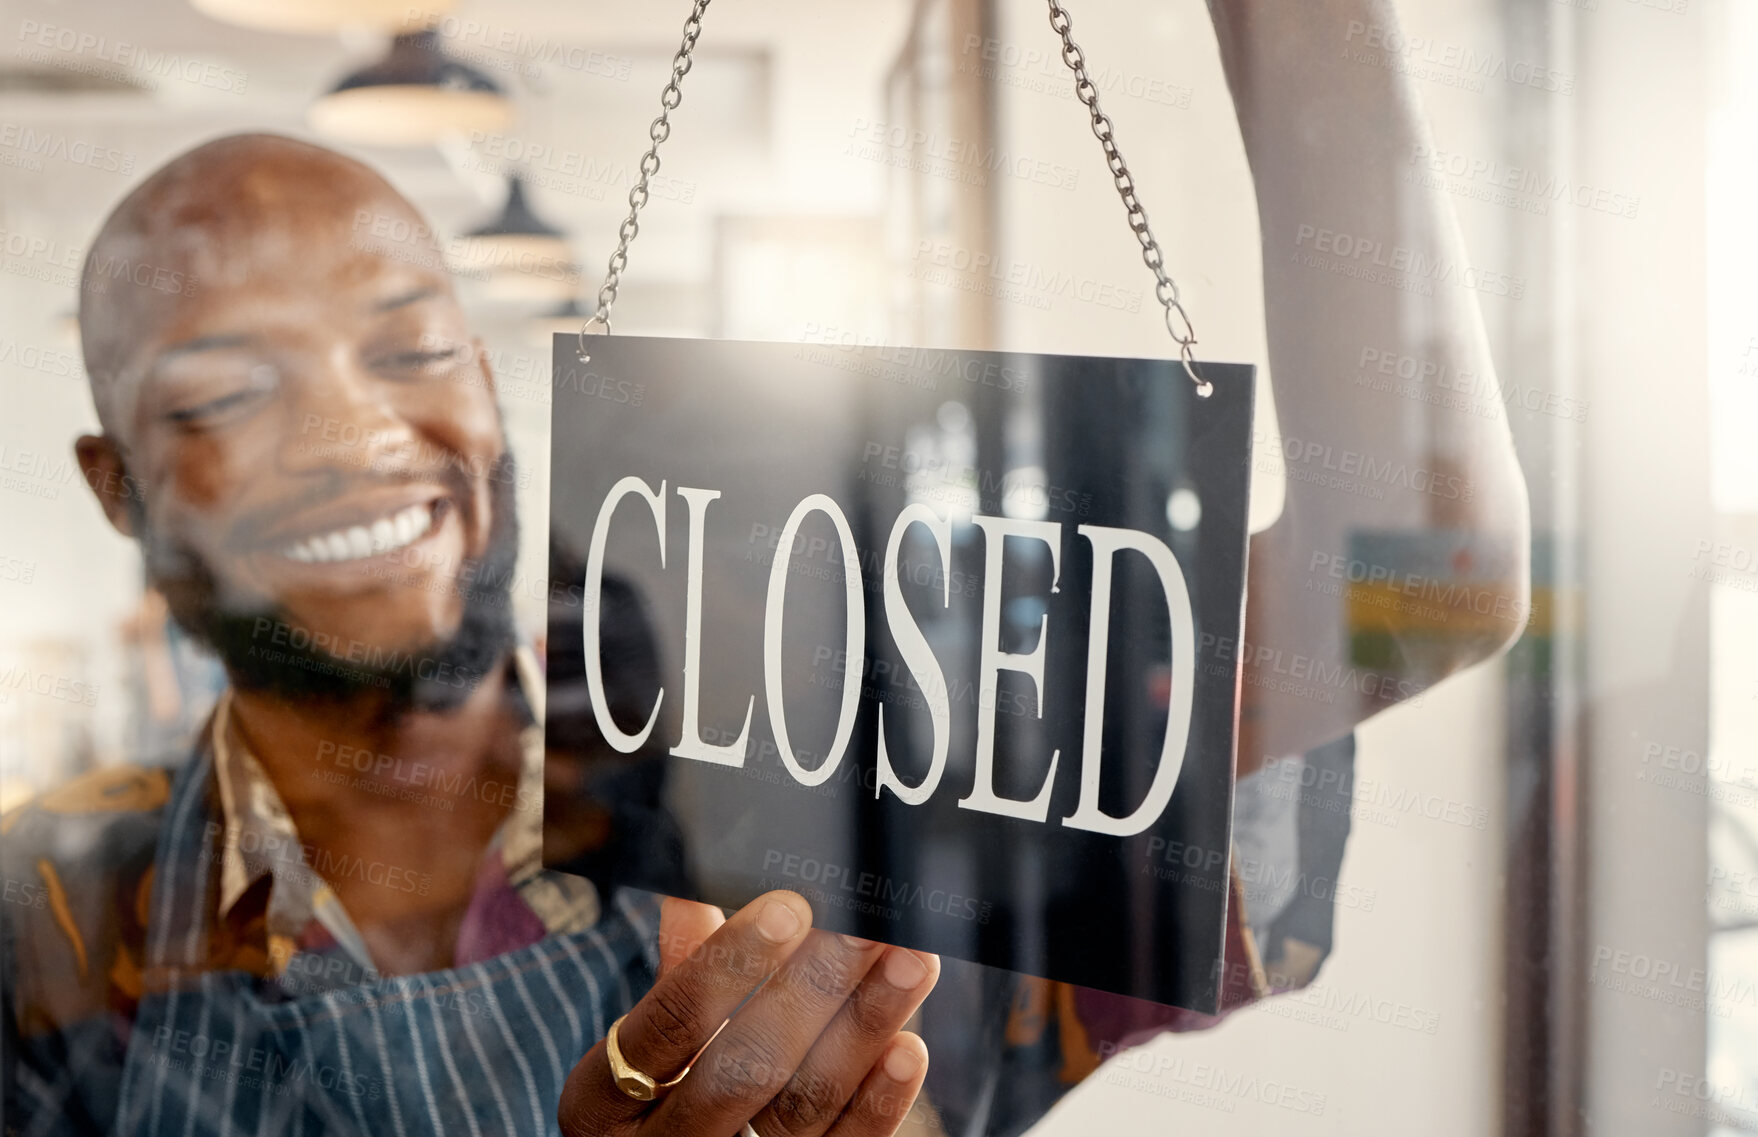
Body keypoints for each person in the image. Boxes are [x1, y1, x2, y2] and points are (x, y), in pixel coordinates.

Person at [1, 3, 1530, 1135]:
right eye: (220, 397)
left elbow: (1420, 581)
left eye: (407, 350)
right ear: (116, 482)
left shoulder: (812, 735)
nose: (353, 432)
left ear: (481, 381)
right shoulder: (47, 922)